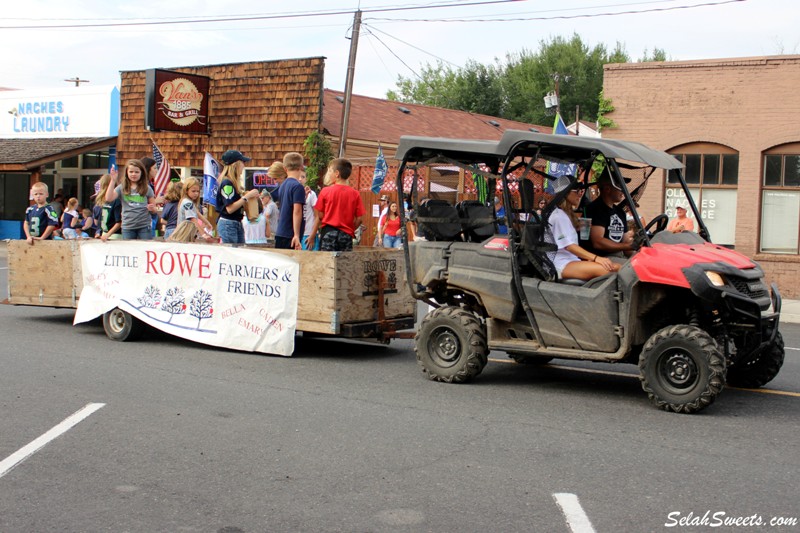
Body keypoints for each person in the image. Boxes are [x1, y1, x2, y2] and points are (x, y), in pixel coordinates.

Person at [546, 180, 620, 281]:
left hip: (571, 260)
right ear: (566, 193)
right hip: (561, 264)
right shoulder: (559, 216)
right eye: (577, 191)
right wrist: (596, 258)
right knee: (615, 269)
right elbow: (569, 246)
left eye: (581, 191)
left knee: (618, 266)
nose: (580, 194)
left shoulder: (565, 214)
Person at [308, 158, 365, 252]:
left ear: (337, 173)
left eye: (330, 170)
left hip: (328, 232)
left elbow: (320, 215)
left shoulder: (325, 191)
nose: (328, 173)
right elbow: (359, 219)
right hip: (346, 234)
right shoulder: (355, 194)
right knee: (344, 263)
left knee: (327, 262)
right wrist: (349, 229)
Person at [583, 172, 635, 258]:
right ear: (607, 189)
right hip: (600, 258)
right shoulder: (595, 209)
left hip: (619, 256)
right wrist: (627, 246)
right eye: (620, 187)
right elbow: (598, 242)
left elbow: (626, 244)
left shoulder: (620, 212)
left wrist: (638, 247)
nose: (623, 191)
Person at [215, 149, 260, 244]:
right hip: (228, 223)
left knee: (240, 251)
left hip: (236, 222)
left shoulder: (234, 183)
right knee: (232, 254)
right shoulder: (227, 183)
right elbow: (230, 208)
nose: (244, 165)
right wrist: (246, 197)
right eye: (242, 162)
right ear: (235, 165)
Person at [105, 159, 157, 240]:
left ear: (141, 173)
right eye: (131, 172)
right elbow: (108, 198)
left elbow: (154, 209)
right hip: (127, 226)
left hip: (144, 226)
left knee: (144, 249)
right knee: (128, 250)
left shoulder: (147, 188)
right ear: (127, 173)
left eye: (137, 172)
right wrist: (113, 180)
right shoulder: (122, 187)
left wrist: (152, 209)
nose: (134, 174)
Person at [272, 153, 306, 250]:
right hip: (290, 234)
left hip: (281, 232)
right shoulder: (297, 186)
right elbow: (297, 211)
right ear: (301, 167)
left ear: (285, 168)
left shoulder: (283, 185)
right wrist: (296, 234)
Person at [95, 173, 122, 241]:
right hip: (105, 233)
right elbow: (101, 219)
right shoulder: (104, 201)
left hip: (115, 235)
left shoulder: (117, 200)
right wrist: (99, 232)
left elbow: (119, 222)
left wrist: (108, 234)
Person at [299, 170, 319, 250]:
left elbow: (317, 215)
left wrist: (312, 235)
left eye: (303, 177)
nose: (300, 179)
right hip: (297, 234)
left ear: (306, 179)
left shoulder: (311, 194)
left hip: (308, 234)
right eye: (298, 176)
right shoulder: (294, 193)